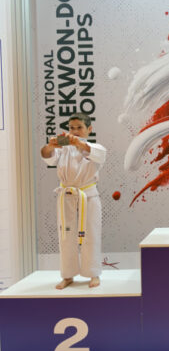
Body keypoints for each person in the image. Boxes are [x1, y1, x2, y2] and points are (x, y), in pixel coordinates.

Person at [40, 113, 106, 289]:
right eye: (71, 128)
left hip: (88, 195)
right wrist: (50, 145)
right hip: (67, 195)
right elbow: (46, 155)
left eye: (79, 127)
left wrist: (78, 143)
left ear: (89, 129)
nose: (75, 131)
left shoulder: (96, 148)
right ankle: (68, 275)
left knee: (91, 234)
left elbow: (94, 153)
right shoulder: (63, 149)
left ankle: (93, 274)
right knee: (66, 235)